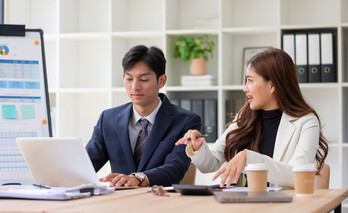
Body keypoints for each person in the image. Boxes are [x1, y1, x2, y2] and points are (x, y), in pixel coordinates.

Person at [176, 47, 328, 188]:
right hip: (243, 206)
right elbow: (211, 163)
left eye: (250, 80)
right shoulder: (244, 117)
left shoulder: (306, 121)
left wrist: (250, 158)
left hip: (283, 209)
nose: (245, 88)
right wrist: (198, 146)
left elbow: (297, 176)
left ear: (272, 85)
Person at [86, 45, 201, 187]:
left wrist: (140, 178)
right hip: (119, 203)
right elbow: (86, 164)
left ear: (162, 81)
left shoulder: (186, 122)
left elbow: (175, 167)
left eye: (144, 79)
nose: (135, 87)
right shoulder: (108, 119)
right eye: (129, 79)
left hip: (161, 203)